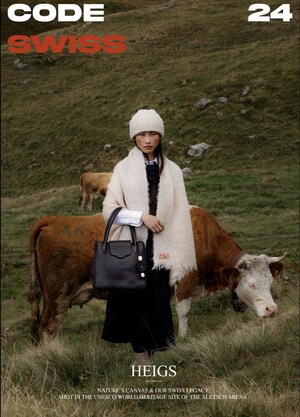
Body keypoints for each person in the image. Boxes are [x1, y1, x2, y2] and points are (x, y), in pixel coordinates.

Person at [102, 109, 197, 366]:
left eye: (152, 133)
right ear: (134, 137)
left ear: (159, 136)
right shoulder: (122, 169)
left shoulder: (174, 170)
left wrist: (177, 245)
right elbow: (109, 210)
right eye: (141, 134)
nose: (147, 139)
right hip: (132, 245)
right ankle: (140, 355)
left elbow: (180, 211)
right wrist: (141, 216)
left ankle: (160, 351)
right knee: (134, 300)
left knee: (158, 300)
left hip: (163, 245)